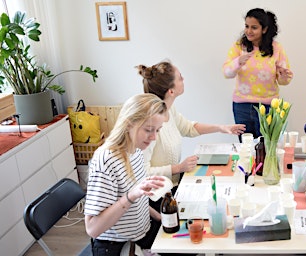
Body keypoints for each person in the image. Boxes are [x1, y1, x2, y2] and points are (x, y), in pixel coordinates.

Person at [136, 60, 245, 201]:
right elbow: (143, 173)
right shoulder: (149, 125)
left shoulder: (169, 110)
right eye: (180, 77)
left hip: (173, 186)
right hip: (157, 197)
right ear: (171, 91)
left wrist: (221, 128)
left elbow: (188, 128)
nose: (183, 80)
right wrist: (178, 168)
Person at [84, 93, 169, 256]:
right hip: (115, 245)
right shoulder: (106, 160)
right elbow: (92, 228)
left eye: (158, 130)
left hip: (142, 232)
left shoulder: (135, 150)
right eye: (149, 130)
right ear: (129, 123)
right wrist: (131, 195)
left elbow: (139, 200)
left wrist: (160, 217)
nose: (154, 137)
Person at [223, 8, 293, 140]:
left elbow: (284, 81)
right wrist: (238, 62)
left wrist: (284, 75)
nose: (248, 31)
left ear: (264, 29)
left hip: (268, 106)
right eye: (246, 26)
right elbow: (227, 73)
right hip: (241, 106)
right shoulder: (239, 46)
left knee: (267, 148)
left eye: (254, 27)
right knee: (246, 148)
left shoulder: (276, 48)